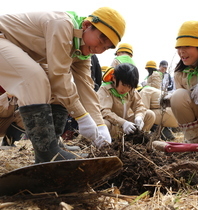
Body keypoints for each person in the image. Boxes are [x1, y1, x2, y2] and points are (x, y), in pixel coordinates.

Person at [0, 7, 125, 163]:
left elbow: (85, 86)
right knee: (35, 78)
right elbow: (59, 75)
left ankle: (53, 142)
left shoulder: (82, 51)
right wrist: (82, 117)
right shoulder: (62, 25)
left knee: (62, 88)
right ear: (86, 25)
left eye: (106, 48)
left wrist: (99, 125)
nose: (99, 50)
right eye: (100, 40)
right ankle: (47, 153)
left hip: (16, 51)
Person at [97, 63, 155, 138]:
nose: (126, 89)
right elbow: (104, 112)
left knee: (149, 115)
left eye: (129, 86)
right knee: (104, 123)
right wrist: (123, 123)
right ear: (114, 78)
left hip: (128, 126)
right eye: (123, 85)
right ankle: (110, 141)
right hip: (114, 126)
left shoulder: (131, 90)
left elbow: (139, 106)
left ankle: (136, 139)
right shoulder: (105, 90)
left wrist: (139, 117)